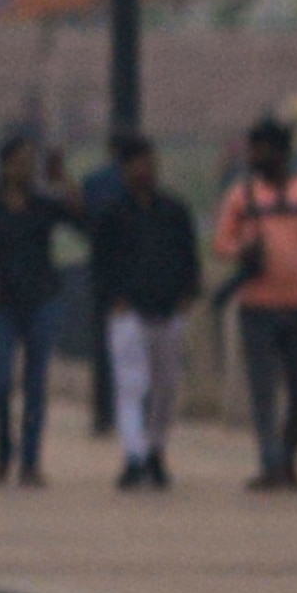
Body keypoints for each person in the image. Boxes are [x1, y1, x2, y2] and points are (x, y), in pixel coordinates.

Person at [216, 118, 297, 490]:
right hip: (257, 307)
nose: (254, 156)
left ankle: (288, 455)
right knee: (264, 389)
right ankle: (272, 463)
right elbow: (221, 243)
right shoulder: (242, 196)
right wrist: (242, 251)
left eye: (261, 149)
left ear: (282, 153)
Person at [88, 135, 203, 490]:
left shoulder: (174, 211)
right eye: (138, 164)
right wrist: (113, 300)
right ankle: (134, 456)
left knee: (166, 387)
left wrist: (187, 293)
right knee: (132, 386)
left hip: (168, 310)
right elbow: (100, 265)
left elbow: (188, 257)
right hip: (128, 313)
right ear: (124, 169)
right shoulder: (111, 213)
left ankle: (155, 448)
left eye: (150, 163)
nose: (146, 170)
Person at [0, 141, 68, 487]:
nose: (24, 170)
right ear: (4, 166)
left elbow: (83, 220)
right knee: (2, 382)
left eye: (29, 163)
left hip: (41, 299)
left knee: (36, 385)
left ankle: (31, 460)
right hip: (2, 304)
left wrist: (64, 180)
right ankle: (4, 447)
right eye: (18, 163)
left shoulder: (43, 206)